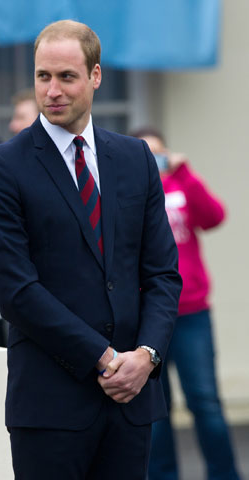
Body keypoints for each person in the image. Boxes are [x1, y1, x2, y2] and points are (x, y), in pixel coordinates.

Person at [0, 20, 182, 479]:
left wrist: (146, 355)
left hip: (131, 400)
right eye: (42, 76)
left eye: (66, 76)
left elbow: (162, 274)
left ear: (95, 76)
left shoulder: (134, 158)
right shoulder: (3, 167)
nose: (52, 90)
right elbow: (15, 289)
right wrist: (105, 359)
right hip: (51, 404)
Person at [131, 127, 241, 480]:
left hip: (191, 312)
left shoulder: (181, 185)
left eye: (159, 154)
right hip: (146, 316)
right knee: (155, 410)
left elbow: (214, 217)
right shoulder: (128, 192)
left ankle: (224, 474)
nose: (155, 162)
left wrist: (186, 172)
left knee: (205, 402)